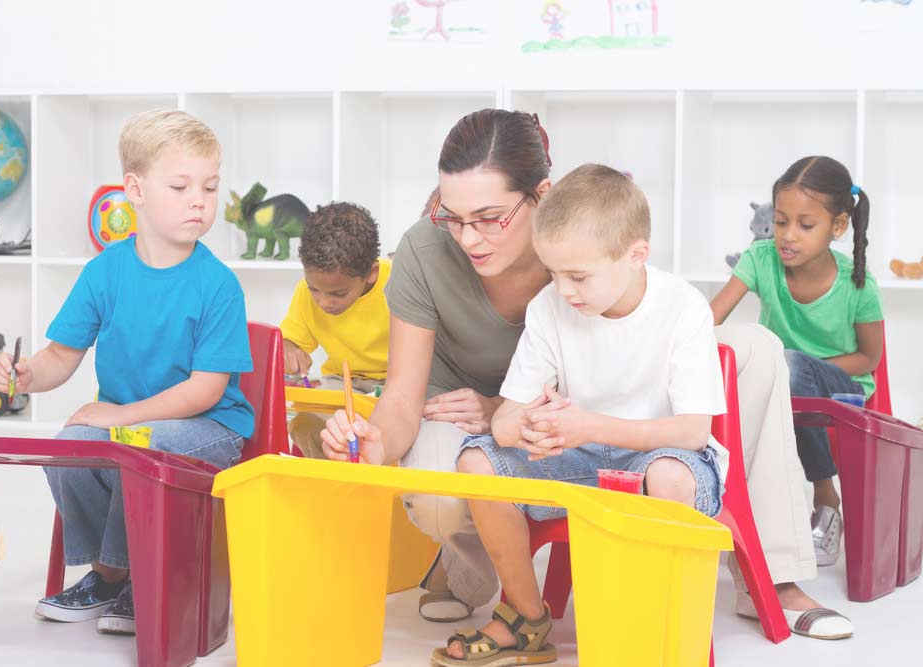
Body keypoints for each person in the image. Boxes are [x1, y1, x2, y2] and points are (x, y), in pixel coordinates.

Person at [320, 109, 852, 641]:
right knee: (448, 489)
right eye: (450, 216)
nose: (468, 238)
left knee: (757, 348)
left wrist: (538, 415)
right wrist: (381, 441)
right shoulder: (439, 255)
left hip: (582, 413)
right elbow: (405, 395)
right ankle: (475, 576)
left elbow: (635, 355)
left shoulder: (587, 232)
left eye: (489, 217)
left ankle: (772, 576)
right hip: (506, 417)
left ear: (541, 195)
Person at [429, 163, 727, 665]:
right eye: (554, 273)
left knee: (671, 474)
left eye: (579, 276)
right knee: (478, 462)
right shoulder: (550, 307)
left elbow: (694, 431)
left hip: (657, 459)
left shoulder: (684, 307)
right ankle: (525, 616)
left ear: (636, 256)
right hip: (578, 458)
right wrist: (525, 429)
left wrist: (587, 425)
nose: (564, 290)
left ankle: (650, 624)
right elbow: (503, 419)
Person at [0, 109, 254, 635]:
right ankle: (109, 575)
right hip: (130, 425)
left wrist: (121, 414)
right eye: (180, 186)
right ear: (135, 189)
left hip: (210, 429)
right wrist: (24, 375)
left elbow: (206, 390)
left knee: (130, 441)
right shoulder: (105, 271)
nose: (198, 200)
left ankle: (132, 576)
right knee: (71, 443)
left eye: (209, 186)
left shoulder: (217, 284)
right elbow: (60, 357)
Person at [711, 155, 882, 574]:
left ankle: (825, 496)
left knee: (785, 365)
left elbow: (868, 358)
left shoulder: (857, 283)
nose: (787, 236)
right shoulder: (760, 259)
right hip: (780, 382)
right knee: (757, 369)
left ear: (837, 227)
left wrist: (798, 366)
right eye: (781, 220)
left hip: (843, 387)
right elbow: (708, 321)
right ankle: (732, 509)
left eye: (805, 226)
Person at [281, 202, 390, 458]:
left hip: (393, 384)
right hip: (342, 383)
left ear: (371, 273)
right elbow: (289, 340)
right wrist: (289, 349)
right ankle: (336, 487)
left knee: (381, 433)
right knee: (305, 422)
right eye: (314, 289)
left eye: (339, 293)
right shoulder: (306, 292)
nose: (324, 302)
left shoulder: (398, 284)